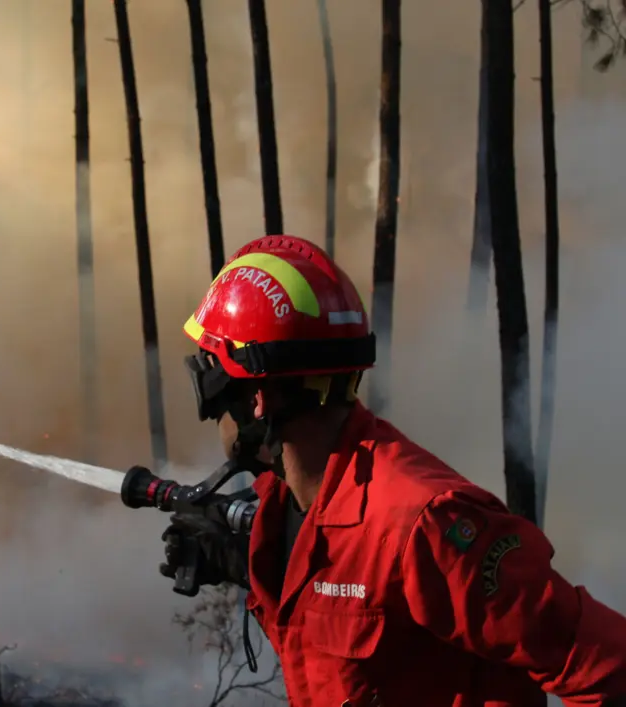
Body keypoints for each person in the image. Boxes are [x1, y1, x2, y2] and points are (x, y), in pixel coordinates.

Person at [147, 234, 626, 706]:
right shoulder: (291, 504)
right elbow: (341, 663)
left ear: (256, 398)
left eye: (208, 380)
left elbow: (610, 666)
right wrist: (254, 568)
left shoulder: (422, 524)